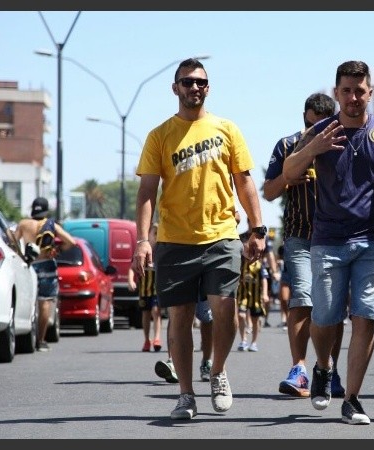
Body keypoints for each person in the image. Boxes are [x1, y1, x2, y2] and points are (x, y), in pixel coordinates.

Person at [282, 60, 374, 425]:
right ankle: (324, 368)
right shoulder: (320, 131)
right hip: (327, 240)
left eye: (360, 91)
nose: (354, 97)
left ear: (370, 94)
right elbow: (288, 174)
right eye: (347, 90)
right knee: (325, 317)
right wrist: (313, 149)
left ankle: (352, 399)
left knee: (365, 317)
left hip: (373, 241)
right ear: (337, 93)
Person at [133, 58, 266, 420]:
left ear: (208, 88)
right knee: (179, 318)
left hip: (221, 237)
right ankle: (186, 394)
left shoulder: (227, 129)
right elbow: (147, 190)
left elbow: (244, 181)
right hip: (175, 241)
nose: (195, 87)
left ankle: (219, 371)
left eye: (201, 82)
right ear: (175, 88)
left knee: (224, 308)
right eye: (187, 82)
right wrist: (143, 240)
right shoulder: (159, 135)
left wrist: (257, 229)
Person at [262, 92, 346, 399]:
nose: (313, 133)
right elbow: (269, 192)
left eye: (319, 127)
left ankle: (330, 370)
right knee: (303, 298)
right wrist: (288, 177)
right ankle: (298, 369)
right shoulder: (287, 146)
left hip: (336, 237)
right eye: (309, 125)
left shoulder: (344, 144)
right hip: (299, 236)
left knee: (334, 306)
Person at [15, 197, 77, 352]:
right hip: (47, 265)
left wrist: (22, 256)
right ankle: (41, 340)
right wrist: (57, 250)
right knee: (45, 302)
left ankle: (25, 335)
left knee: (28, 301)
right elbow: (71, 242)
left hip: (30, 265)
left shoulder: (23, 224)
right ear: (45, 210)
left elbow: (13, 243)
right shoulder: (51, 225)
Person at [128, 223, 163, 353]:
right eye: (154, 233)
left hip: (157, 288)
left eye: (158, 234)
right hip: (144, 289)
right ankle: (147, 340)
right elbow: (132, 268)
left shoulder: (161, 251)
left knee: (156, 311)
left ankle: (157, 338)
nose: (156, 237)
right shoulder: (143, 250)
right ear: (148, 235)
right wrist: (130, 280)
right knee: (146, 313)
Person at [236, 223, 269, 352]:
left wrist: (265, 294)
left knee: (255, 320)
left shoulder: (259, 265)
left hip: (255, 297)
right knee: (241, 315)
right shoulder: (240, 264)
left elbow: (265, 280)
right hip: (243, 295)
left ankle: (254, 342)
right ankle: (243, 340)